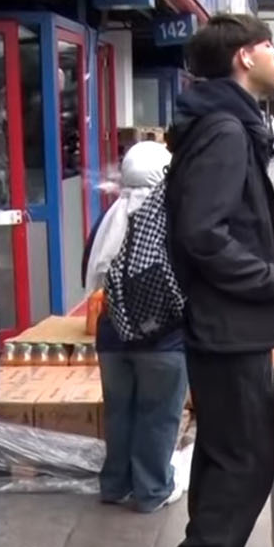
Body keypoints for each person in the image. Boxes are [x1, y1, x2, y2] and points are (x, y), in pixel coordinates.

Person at [164, 13, 274, 547]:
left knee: (225, 447)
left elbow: (219, 228)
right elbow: (201, 233)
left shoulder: (228, 124)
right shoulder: (226, 130)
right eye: (269, 46)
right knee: (248, 451)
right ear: (242, 59)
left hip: (228, 319)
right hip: (227, 325)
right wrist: (273, 279)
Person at [83, 140, 187, 514]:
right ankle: (151, 490)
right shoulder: (172, 217)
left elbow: (92, 278)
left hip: (112, 337)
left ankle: (114, 485)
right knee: (158, 414)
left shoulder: (108, 219)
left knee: (119, 412)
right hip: (164, 341)